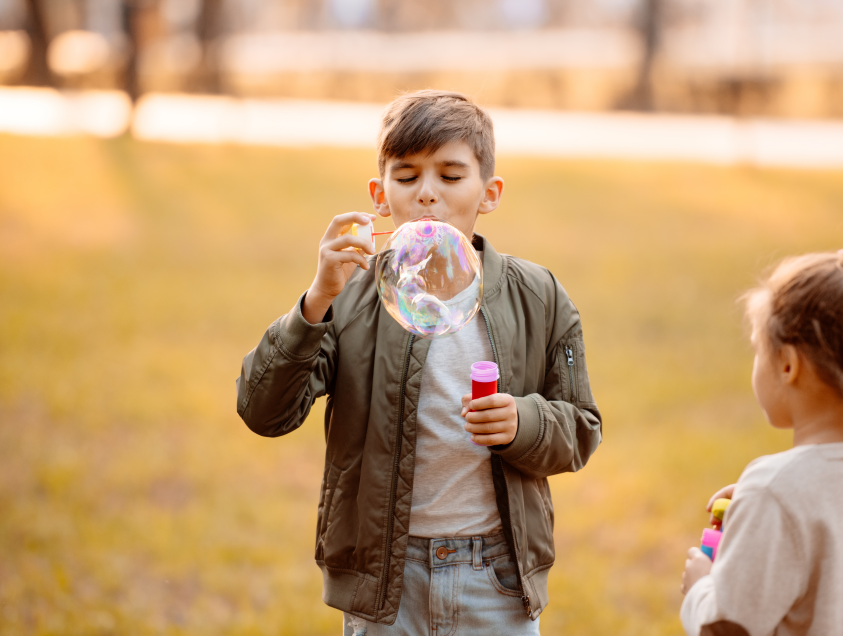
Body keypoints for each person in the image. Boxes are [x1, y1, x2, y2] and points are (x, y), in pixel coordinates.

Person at [235, 90, 602, 635]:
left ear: (490, 192)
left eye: (451, 177)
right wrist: (315, 301)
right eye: (406, 177)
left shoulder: (538, 296)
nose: (427, 194)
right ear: (379, 195)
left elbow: (581, 427)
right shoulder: (351, 296)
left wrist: (524, 422)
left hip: (497, 579)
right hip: (387, 582)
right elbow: (264, 411)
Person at [680, 229, 843, 636]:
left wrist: (701, 588)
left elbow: (725, 628)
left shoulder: (775, 493)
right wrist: (762, 509)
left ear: (787, 365)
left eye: (757, 349)